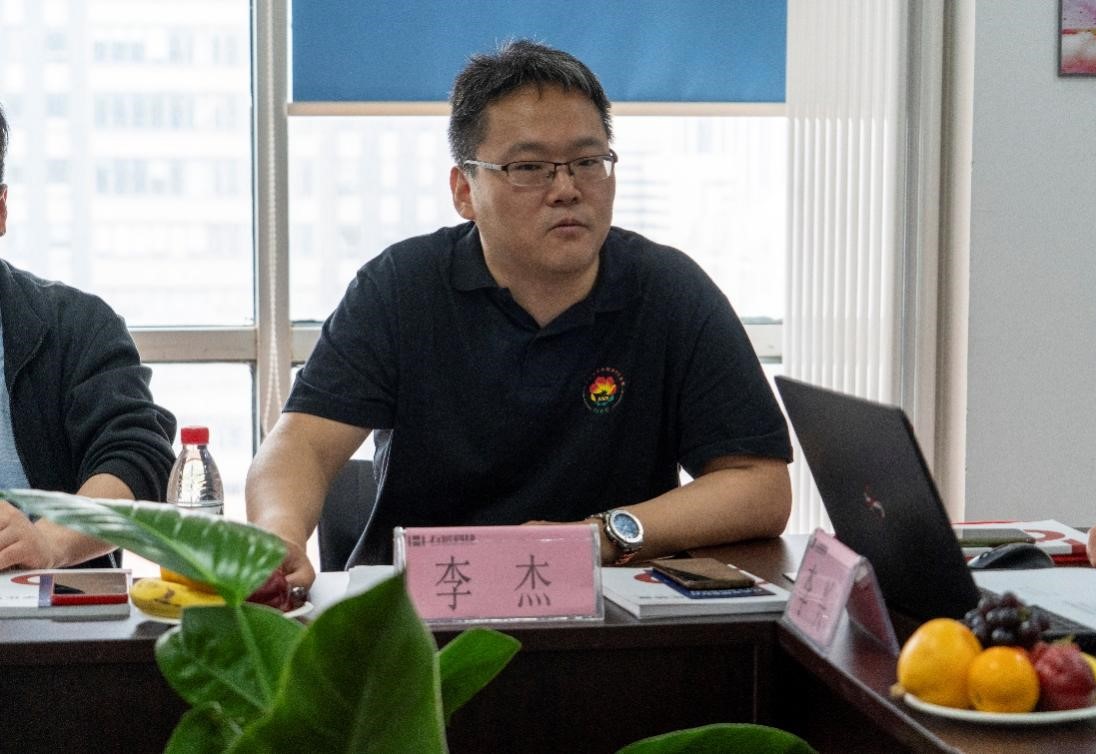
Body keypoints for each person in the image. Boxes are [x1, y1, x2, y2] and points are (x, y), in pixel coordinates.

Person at [246, 40, 793, 588]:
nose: (567, 189)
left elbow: (759, 484)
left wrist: (600, 535)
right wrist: (279, 534)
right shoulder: (400, 287)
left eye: (588, 162)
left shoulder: (668, 289)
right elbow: (302, 444)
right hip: (422, 611)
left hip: (612, 609)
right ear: (465, 190)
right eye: (529, 167)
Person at [0, 102, 177, 570]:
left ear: (0, 211)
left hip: (48, 603)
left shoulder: (78, 327)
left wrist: (48, 542)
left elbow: (138, 458)